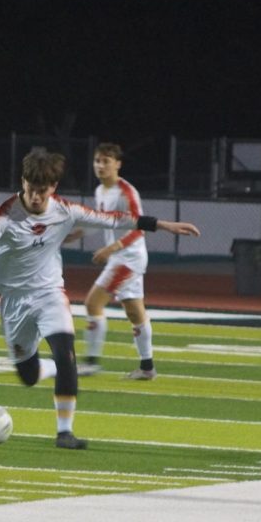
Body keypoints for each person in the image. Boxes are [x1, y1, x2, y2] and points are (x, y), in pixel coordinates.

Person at [0, 149, 199, 449]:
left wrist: (163, 225)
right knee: (28, 376)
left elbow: (114, 219)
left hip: (49, 293)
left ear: (53, 187)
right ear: (23, 182)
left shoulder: (66, 210)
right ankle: (54, 368)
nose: (36, 198)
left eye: (42, 191)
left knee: (65, 350)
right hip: (12, 300)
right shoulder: (5, 215)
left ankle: (64, 432)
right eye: (30, 190)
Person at [76, 142, 157, 380]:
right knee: (135, 312)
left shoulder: (127, 193)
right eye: (97, 161)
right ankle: (147, 368)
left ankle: (91, 363)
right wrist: (77, 233)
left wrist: (111, 248)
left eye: (106, 161)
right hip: (122, 257)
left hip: (128, 258)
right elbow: (102, 220)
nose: (100, 166)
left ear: (117, 165)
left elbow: (138, 229)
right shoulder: (101, 191)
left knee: (93, 303)